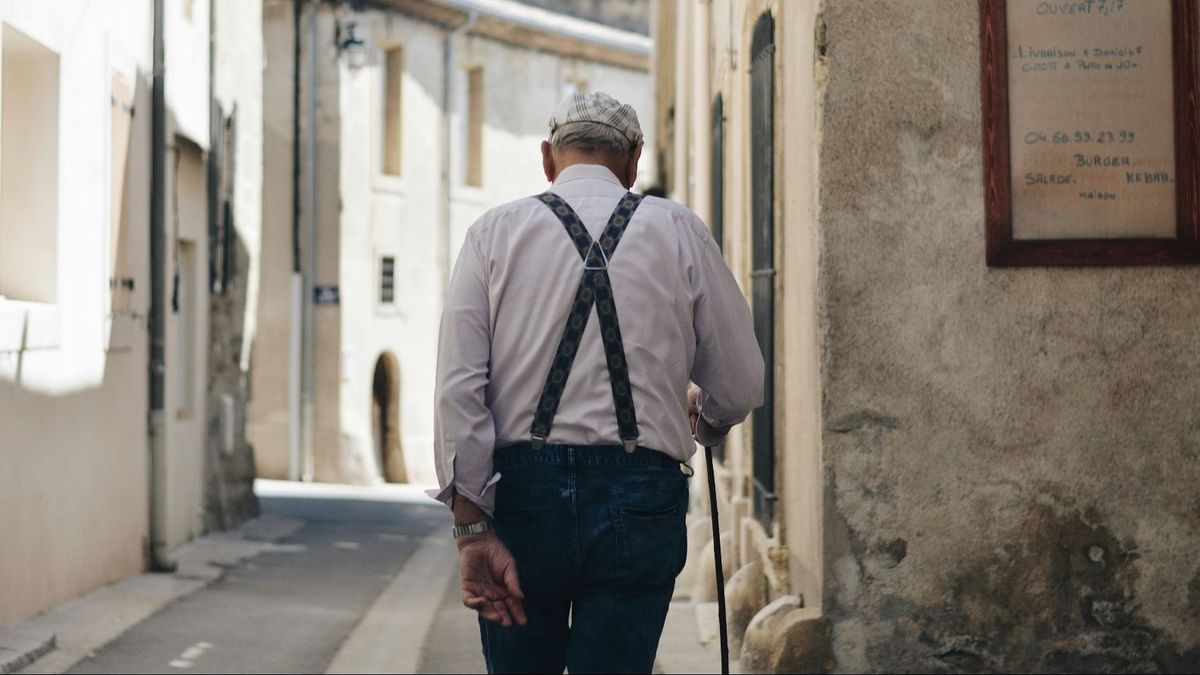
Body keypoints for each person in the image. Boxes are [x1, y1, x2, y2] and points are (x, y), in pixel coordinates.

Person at [431, 91, 763, 674]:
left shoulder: (494, 233)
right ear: (634, 162)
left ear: (547, 158)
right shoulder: (680, 229)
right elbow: (739, 384)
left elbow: (459, 389)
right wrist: (705, 421)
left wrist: (472, 525)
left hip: (522, 499)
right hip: (639, 501)